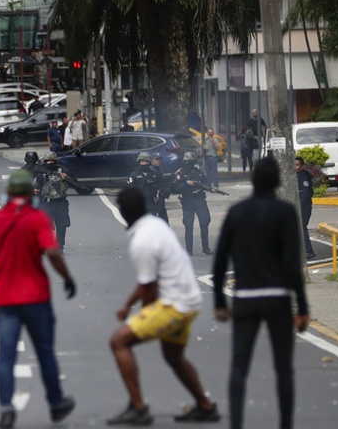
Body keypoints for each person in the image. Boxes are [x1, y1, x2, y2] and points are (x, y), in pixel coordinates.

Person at [107, 188, 220, 425]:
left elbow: (149, 288)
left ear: (124, 212)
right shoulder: (155, 225)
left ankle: (138, 409)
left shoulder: (142, 242)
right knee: (173, 356)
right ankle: (205, 405)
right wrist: (128, 305)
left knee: (119, 341)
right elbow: (149, 280)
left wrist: (145, 317)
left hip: (175, 306)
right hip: (189, 300)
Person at [212, 157, 309, 429]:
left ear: (252, 180)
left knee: (240, 365)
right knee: (283, 367)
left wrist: (220, 302)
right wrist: (302, 307)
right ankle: (286, 424)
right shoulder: (285, 212)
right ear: (278, 181)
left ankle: (236, 423)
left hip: (245, 299)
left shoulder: (237, 212)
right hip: (277, 298)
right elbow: (291, 264)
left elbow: (220, 261)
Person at [0, 170, 77, 429]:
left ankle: (6, 407)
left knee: (6, 354)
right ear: (30, 193)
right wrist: (67, 278)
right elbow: (52, 252)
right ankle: (56, 404)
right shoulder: (38, 219)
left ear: (9, 193)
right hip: (36, 297)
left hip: (5, 299)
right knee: (45, 352)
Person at [173, 152, 213, 255]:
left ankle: (205, 247)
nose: (190, 164)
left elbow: (206, 183)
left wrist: (211, 188)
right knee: (189, 225)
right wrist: (186, 183)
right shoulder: (181, 173)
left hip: (199, 199)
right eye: (188, 162)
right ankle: (189, 250)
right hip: (187, 201)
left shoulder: (198, 172)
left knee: (205, 222)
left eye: (192, 162)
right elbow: (175, 188)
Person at [35, 153, 72, 253]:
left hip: (60, 203)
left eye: (52, 161)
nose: (50, 163)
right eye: (48, 161)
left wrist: (66, 178)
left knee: (62, 226)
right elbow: (36, 186)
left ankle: (59, 246)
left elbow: (74, 181)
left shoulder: (63, 171)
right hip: (46, 203)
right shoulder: (41, 173)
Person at [296, 157, 315, 259]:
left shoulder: (304, 177)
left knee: (302, 228)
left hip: (304, 207)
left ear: (302, 166)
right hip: (299, 207)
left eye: (297, 165)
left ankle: (309, 251)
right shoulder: (296, 175)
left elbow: (306, 193)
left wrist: (299, 205)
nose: (295, 167)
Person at [150, 153, 170, 224]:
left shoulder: (159, 170)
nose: (158, 161)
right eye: (156, 159)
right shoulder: (152, 171)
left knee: (164, 219)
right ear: (151, 160)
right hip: (155, 198)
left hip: (161, 197)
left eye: (159, 159)